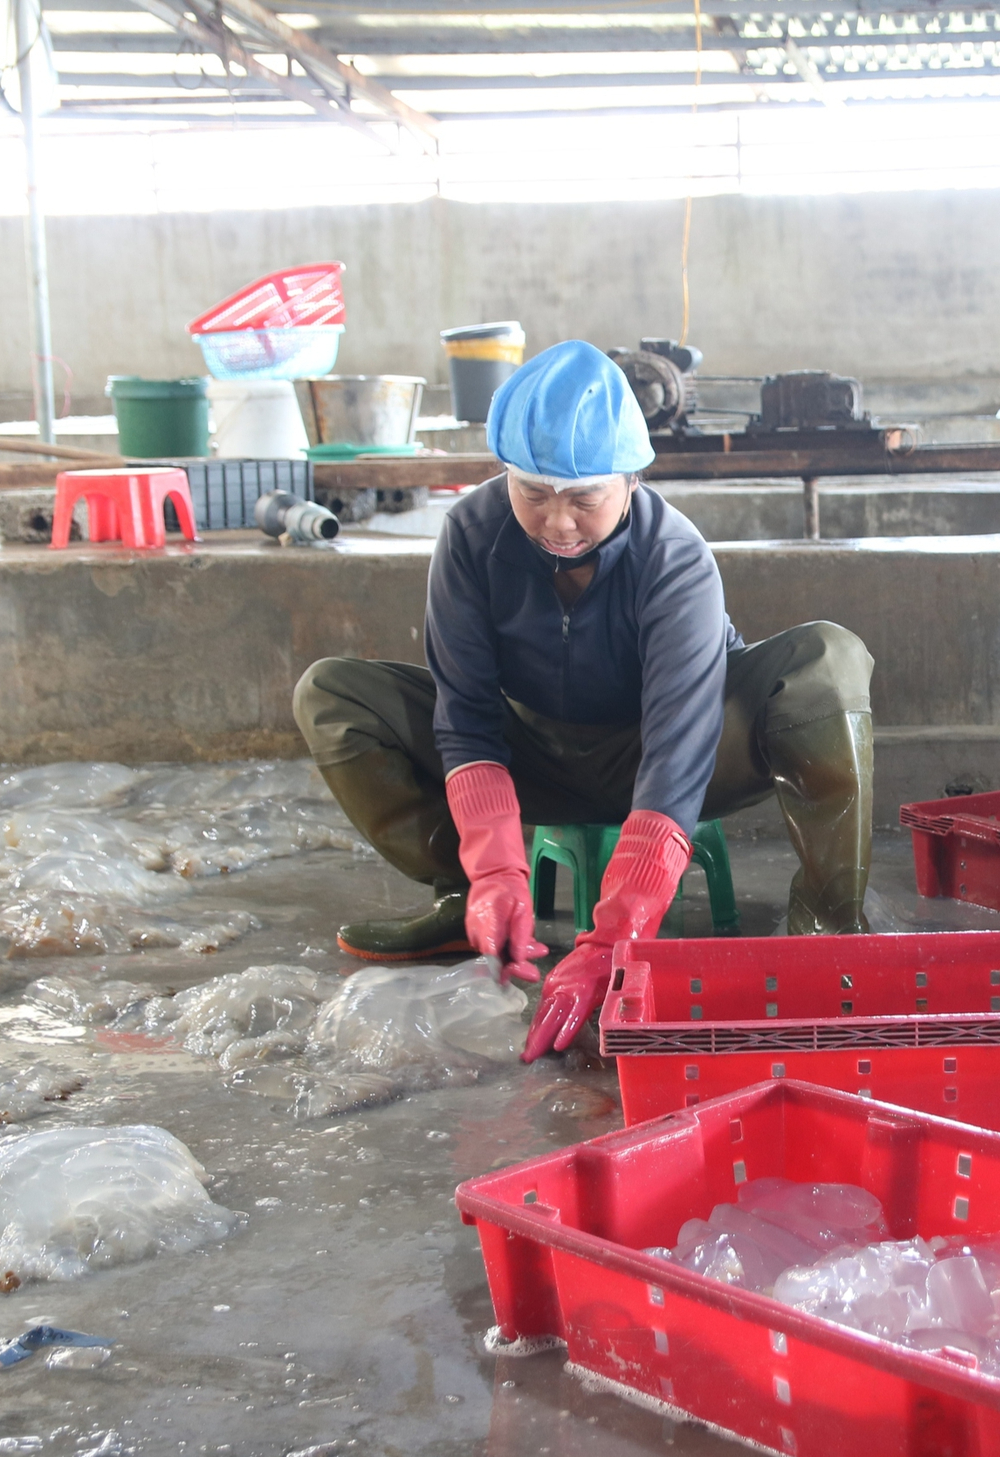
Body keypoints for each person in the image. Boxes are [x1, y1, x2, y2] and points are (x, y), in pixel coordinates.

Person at [292, 340, 874, 1061]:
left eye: (584, 499)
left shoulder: (676, 559)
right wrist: (497, 873)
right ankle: (470, 904)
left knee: (827, 660)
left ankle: (829, 924)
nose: (557, 523)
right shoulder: (473, 537)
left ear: (630, 481)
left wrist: (615, 937)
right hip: (536, 750)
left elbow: (677, 752)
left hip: (673, 758)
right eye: (532, 493)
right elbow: (467, 720)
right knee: (334, 695)